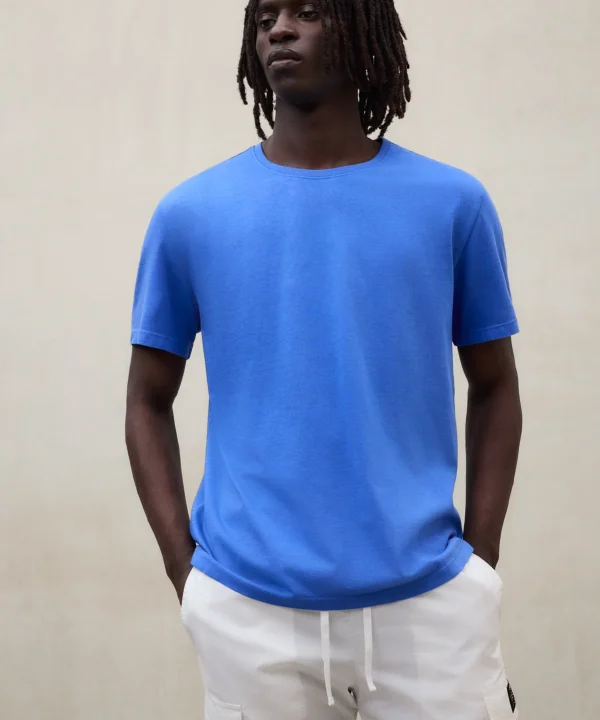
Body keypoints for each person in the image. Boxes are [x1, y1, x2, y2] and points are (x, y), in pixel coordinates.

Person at [126, 0, 523, 718]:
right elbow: (146, 402)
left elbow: (495, 387)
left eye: (307, 11)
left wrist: (480, 568)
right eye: (264, 16)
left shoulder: (452, 204)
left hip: (429, 608)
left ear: (363, 30)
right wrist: (187, 576)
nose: (278, 29)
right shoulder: (191, 214)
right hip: (248, 612)